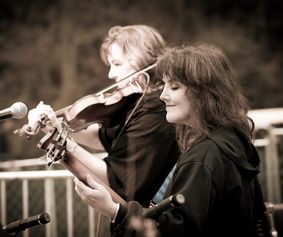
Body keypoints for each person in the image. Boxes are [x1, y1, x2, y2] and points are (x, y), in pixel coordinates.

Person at [74, 43, 266, 237]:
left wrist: (112, 210)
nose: (163, 95)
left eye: (174, 87)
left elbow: (177, 230)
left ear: (204, 94)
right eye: (164, 85)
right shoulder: (232, 139)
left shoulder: (204, 156)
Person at [25, 25, 179, 206]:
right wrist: (54, 126)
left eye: (117, 63)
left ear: (144, 61)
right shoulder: (136, 103)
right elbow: (99, 138)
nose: (111, 74)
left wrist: (64, 141)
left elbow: (116, 179)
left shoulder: (156, 110)